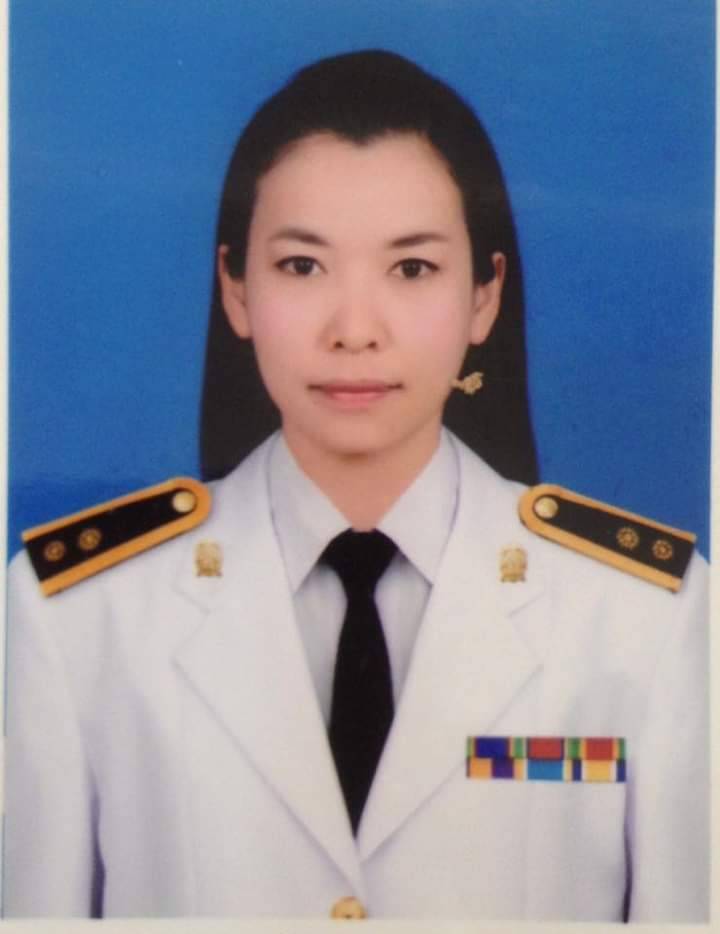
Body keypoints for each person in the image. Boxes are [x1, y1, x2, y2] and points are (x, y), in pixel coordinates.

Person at [4, 51, 708, 921]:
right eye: (303, 266)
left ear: (484, 297)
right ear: (235, 289)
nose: (354, 330)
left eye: (412, 269)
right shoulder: (82, 617)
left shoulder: (643, 620)